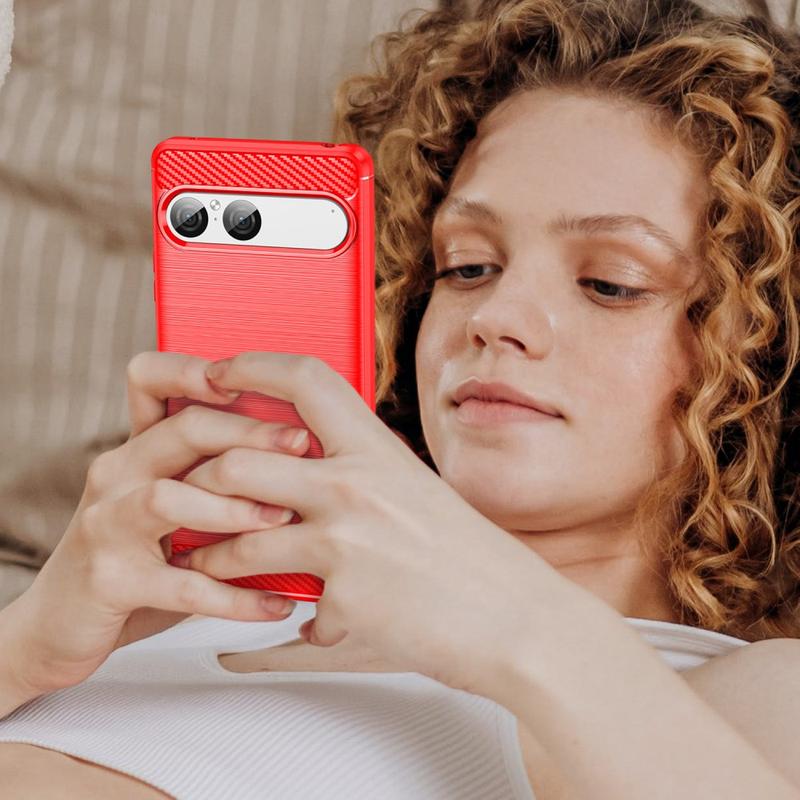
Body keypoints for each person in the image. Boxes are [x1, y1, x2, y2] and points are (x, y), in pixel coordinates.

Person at [0, 0, 799, 798]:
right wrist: (25, 645)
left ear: (765, 355)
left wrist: (510, 614)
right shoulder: (140, 616)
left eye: (610, 283)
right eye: (468, 267)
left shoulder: (739, 694)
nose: (494, 317)